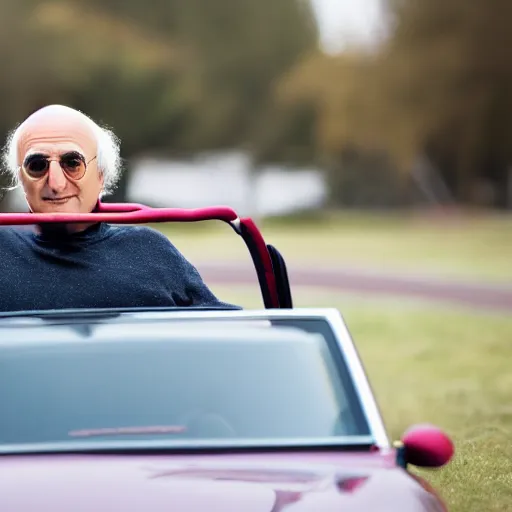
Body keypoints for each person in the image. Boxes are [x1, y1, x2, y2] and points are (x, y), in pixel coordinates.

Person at [0, 104, 239, 312]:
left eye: (72, 163)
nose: (55, 183)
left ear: (101, 175)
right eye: (37, 165)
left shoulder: (149, 252)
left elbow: (224, 332)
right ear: (21, 179)